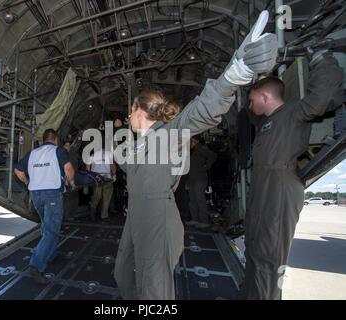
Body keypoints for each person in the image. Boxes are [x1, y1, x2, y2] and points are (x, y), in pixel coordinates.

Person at [113, 10, 279, 300]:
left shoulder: (168, 133)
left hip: (156, 217)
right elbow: (124, 159)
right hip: (136, 215)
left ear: (140, 110)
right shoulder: (137, 144)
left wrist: (234, 74)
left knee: (154, 291)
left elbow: (200, 113)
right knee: (123, 275)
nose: (128, 116)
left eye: (130, 111)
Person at [240, 51, 344, 300]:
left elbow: (324, 97)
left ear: (265, 96)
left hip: (279, 190)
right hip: (264, 189)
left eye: (253, 100)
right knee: (254, 250)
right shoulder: (268, 123)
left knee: (269, 257)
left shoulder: (294, 113)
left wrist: (322, 60)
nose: (251, 106)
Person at [14, 129, 75, 284]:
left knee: (46, 226)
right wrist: (70, 182)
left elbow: (18, 171)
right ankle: (36, 265)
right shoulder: (58, 151)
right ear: (55, 139)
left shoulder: (32, 153)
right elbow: (68, 169)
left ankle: (50, 254)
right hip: (52, 194)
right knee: (52, 230)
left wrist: (28, 182)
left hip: (36, 195)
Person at [186, 136, 217, 229]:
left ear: (195, 140)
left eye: (191, 141)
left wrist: (206, 167)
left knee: (200, 199)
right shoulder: (192, 151)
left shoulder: (200, 148)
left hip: (200, 178)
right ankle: (195, 219)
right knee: (192, 200)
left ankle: (204, 221)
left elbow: (213, 155)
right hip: (192, 178)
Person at [87, 144, 116, 221]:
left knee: (97, 196)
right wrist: (114, 175)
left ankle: (93, 210)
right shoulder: (109, 154)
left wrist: (89, 175)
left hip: (96, 177)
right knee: (107, 197)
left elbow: (88, 166)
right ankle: (104, 216)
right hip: (107, 177)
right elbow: (113, 165)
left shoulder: (92, 155)